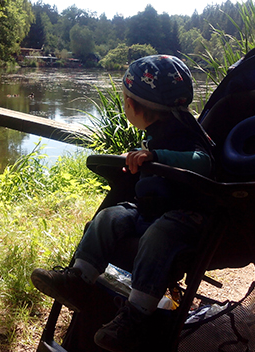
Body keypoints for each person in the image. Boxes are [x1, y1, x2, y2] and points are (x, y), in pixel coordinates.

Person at [31, 55, 215, 352]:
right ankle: (79, 279)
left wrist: (158, 158)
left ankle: (136, 316)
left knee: (158, 235)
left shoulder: (185, 133)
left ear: (133, 106)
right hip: (151, 211)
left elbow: (202, 162)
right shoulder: (158, 130)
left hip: (185, 217)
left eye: (125, 99)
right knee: (109, 216)